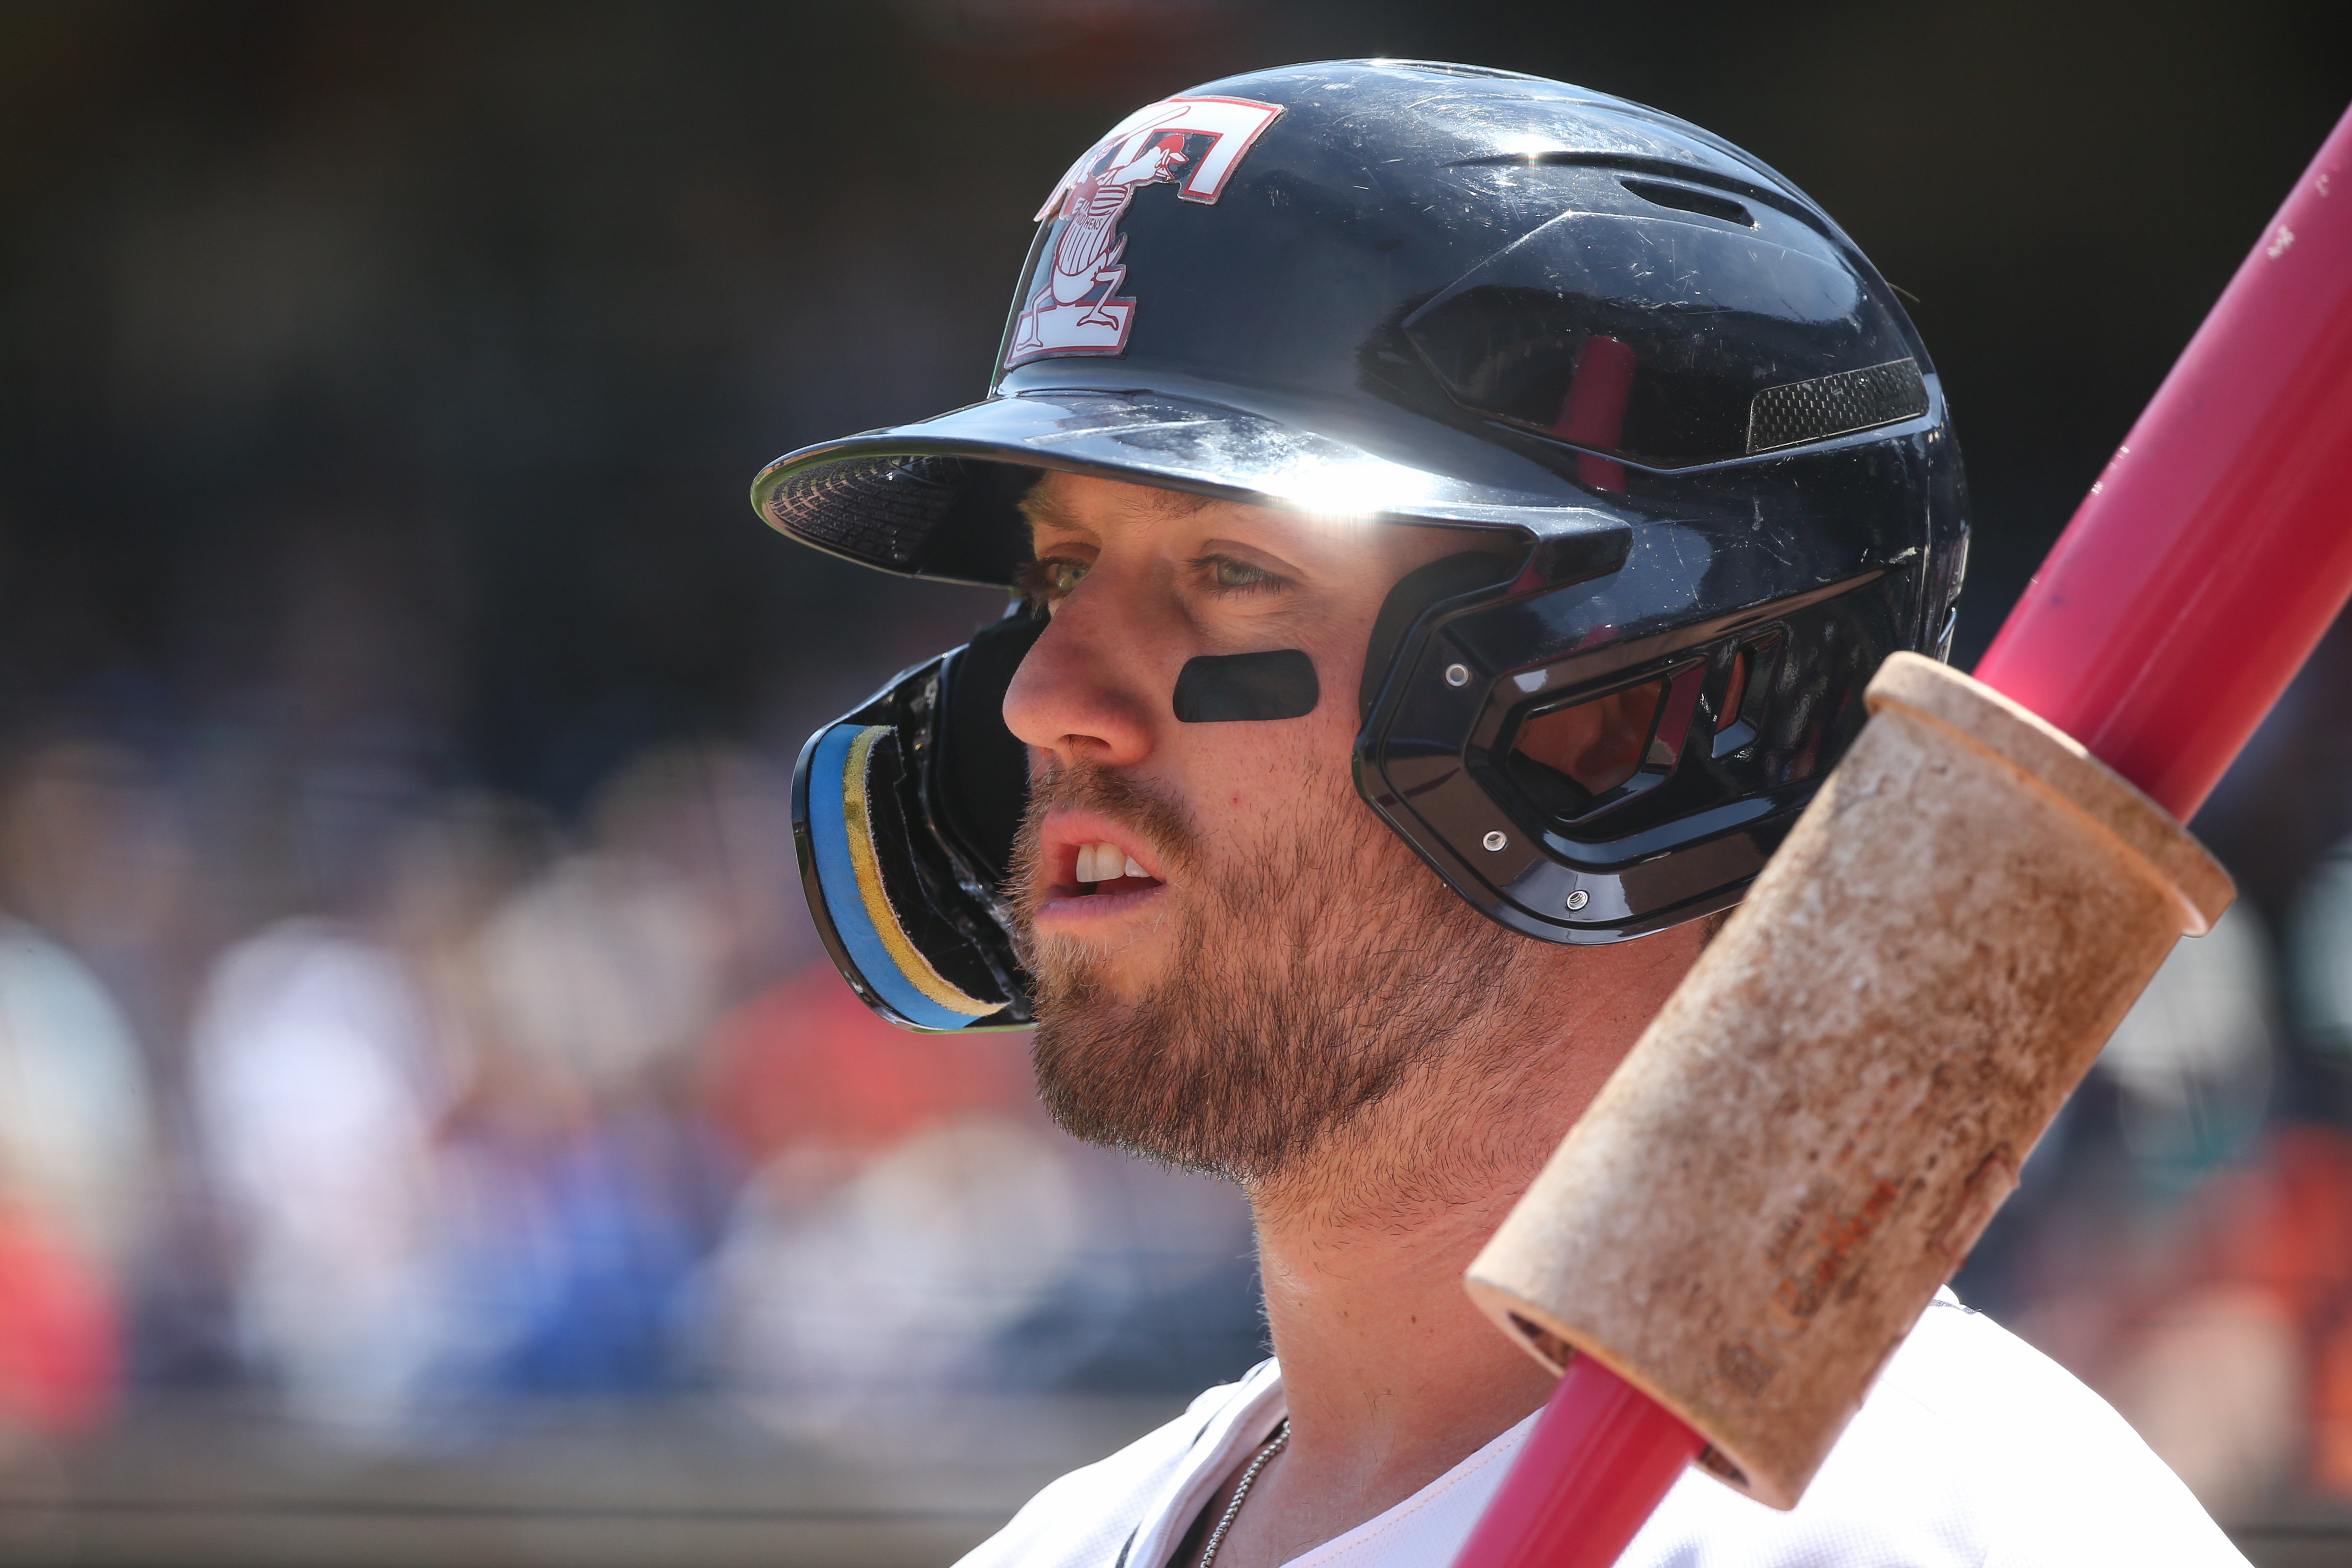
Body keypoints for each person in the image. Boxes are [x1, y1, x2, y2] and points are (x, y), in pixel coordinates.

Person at [753, 60, 2247, 1567]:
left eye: (1229, 570)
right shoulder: (1060, 1544)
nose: (1039, 697)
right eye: (1063, 572)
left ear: (1613, 708)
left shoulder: (1962, 1538)